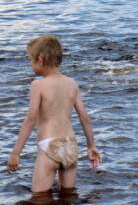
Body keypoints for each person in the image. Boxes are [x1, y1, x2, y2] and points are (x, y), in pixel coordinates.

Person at [6, 34, 102, 193]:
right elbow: (84, 117)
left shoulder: (38, 85)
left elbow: (30, 121)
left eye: (30, 59)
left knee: (40, 198)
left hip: (49, 145)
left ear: (41, 60)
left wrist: (16, 153)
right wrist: (91, 145)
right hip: (70, 145)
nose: (30, 64)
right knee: (68, 196)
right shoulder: (72, 83)